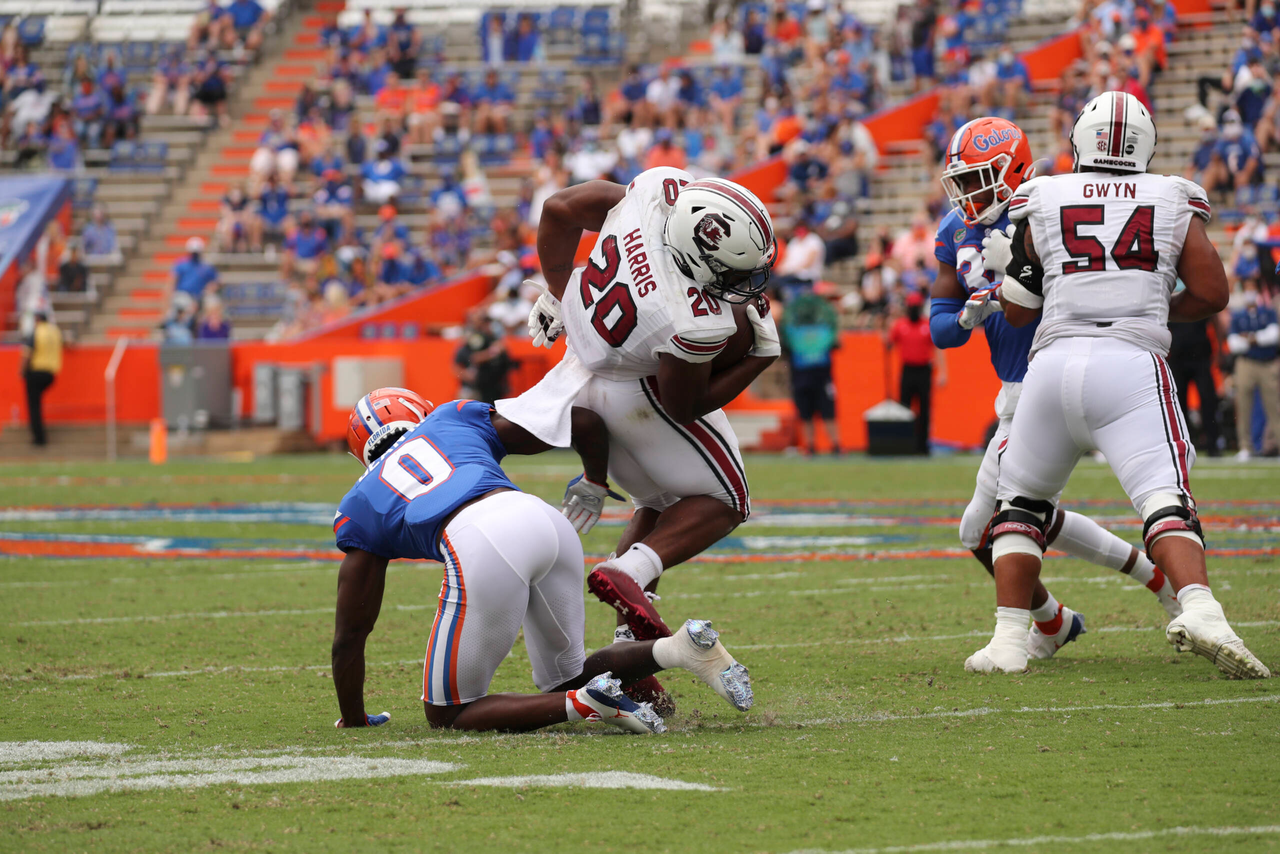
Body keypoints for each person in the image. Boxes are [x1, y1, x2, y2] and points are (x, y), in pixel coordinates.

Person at [969, 91, 1269, 679]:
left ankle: (1008, 640)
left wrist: (1008, 273)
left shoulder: (1044, 194)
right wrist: (1152, 307)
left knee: (1020, 503)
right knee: (1163, 498)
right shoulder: (1171, 195)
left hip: (1053, 365)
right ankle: (1200, 609)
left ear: (1080, 140)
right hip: (1130, 365)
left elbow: (1021, 310)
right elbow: (1213, 293)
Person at [330, 387, 753, 732]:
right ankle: (678, 649)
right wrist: (594, 479)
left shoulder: (359, 502)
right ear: (420, 411)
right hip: (547, 521)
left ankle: (590, 703)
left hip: (479, 538)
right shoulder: (451, 417)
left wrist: (353, 717)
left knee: (449, 712)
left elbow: (351, 632)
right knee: (566, 678)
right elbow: (582, 420)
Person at [930, 117, 1183, 662]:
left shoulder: (1050, 206)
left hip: (1051, 375)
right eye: (962, 181)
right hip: (1014, 390)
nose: (967, 192)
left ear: (1013, 169)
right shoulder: (955, 229)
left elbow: (1090, 288)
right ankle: (1060, 618)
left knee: (988, 523)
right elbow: (940, 327)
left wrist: (1021, 280)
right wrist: (972, 314)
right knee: (1021, 511)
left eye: (977, 179)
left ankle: (1051, 621)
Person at [502, 171, 780, 659]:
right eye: (732, 271)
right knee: (727, 500)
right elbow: (683, 405)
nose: (743, 282)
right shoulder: (694, 319)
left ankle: (629, 645)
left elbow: (559, 208)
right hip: (633, 390)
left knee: (656, 502)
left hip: (583, 365)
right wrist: (759, 358)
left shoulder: (658, 194)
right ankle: (630, 570)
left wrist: (561, 290)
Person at [780, 285, 841, 455]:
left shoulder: (795, 329)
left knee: (826, 413)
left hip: (818, 377)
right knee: (807, 414)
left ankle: (834, 446)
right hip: (805, 377)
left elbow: (837, 343)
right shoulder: (821, 329)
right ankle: (813, 446)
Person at [1227, 277, 1280, 460]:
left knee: (1273, 407)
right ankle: (1245, 446)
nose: (1250, 292)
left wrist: (1250, 338)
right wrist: (1258, 338)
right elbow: (1233, 344)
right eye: (1247, 288)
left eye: (1253, 288)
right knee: (1243, 406)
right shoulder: (1238, 315)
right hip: (1246, 363)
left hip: (1267, 363)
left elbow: (1274, 336)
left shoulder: (1267, 312)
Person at [889, 291, 942, 454]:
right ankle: (905, 443)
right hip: (907, 370)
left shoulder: (927, 325)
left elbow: (938, 348)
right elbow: (888, 343)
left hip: (924, 370)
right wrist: (885, 323)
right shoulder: (900, 325)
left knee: (924, 409)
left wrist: (942, 372)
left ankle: (922, 446)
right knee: (904, 408)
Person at [1167, 313, 1222, 456]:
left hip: (1200, 357)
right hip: (1177, 358)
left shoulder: (1199, 302)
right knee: (1178, 404)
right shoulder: (1171, 304)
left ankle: (1212, 444)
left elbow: (1215, 321)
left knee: (1208, 401)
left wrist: (1220, 350)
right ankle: (1182, 444)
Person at [453, 309, 513, 403]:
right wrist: (491, 353)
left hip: (494, 386)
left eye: (486, 321)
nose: (486, 324)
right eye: (482, 321)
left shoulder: (493, 338)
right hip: (474, 387)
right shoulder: (470, 339)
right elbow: (471, 359)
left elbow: (504, 358)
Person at [22, 310, 62, 447]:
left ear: (37, 320)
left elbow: (27, 353)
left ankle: (39, 438)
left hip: (36, 372)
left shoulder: (36, 332)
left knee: (34, 406)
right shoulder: (55, 331)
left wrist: (22, 371)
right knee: (37, 403)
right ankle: (40, 436)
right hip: (51, 374)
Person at [171, 237, 219, 303]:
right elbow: (173, 281)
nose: (194, 255)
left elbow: (215, 281)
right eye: (193, 253)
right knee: (181, 302)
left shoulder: (206, 266)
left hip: (200, 296)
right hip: (183, 295)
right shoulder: (181, 264)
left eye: (196, 253)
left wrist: (208, 290)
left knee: (212, 301)